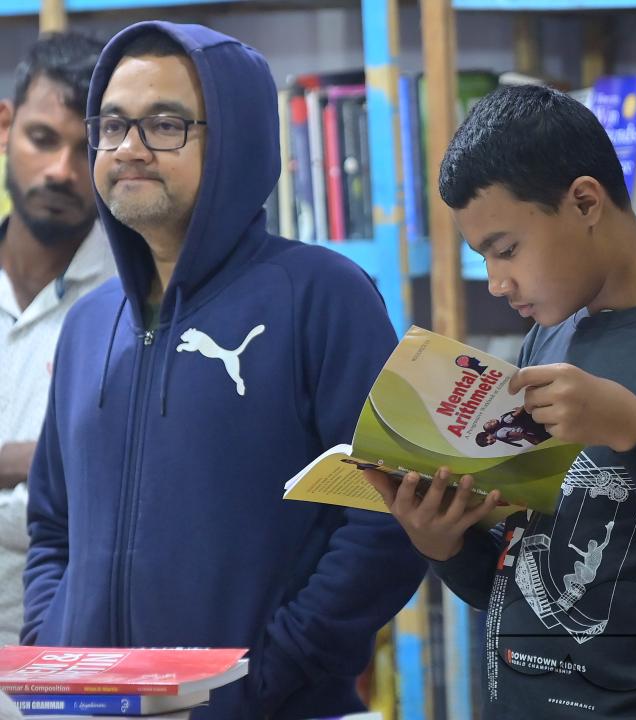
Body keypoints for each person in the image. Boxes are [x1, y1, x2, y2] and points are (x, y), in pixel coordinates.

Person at [22, 21, 426, 720]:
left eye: (166, 125)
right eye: (113, 126)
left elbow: (388, 515)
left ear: (233, 137)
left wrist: (271, 672)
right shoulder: (89, 322)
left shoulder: (323, 296)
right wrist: (51, 642)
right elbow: (54, 525)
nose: (130, 149)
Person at [365, 84, 636, 719]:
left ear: (583, 202)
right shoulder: (547, 341)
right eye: (483, 258)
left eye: (506, 249)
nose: (497, 283)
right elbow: (518, 584)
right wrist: (444, 543)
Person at [0, 32, 112, 647]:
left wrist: (31, 467)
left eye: (85, 146)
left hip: (70, 668)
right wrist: (35, 462)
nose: (61, 172)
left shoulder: (139, 302)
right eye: (43, 138)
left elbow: (115, 508)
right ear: (4, 127)